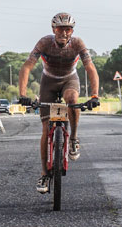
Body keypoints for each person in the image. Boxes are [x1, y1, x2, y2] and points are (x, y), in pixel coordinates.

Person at [17, 12, 101, 194]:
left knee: (72, 100)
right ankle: (44, 174)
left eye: (68, 29)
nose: (64, 33)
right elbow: (27, 65)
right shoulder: (44, 42)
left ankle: (74, 138)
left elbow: (90, 68)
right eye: (60, 29)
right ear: (53, 29)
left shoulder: (77, 43)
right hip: (48, 82)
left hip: (69, 79)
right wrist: (22, 94)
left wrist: (95, 95)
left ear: (72, 31)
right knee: (46, 129)